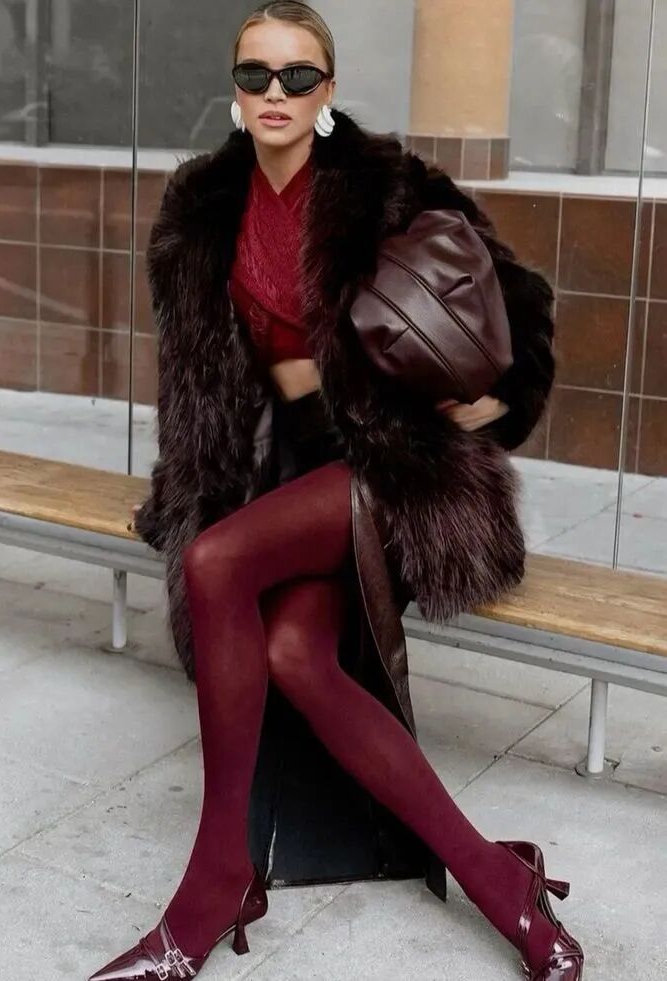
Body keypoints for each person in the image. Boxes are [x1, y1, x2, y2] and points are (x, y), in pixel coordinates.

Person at [88, 3, 583, 980]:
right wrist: (185, 488)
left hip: (392, 467)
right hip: (285, 473)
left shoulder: (384, 185)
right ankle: (497, 877)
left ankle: (212, 885)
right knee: (290, 653)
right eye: (256, 74)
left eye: (297, 75)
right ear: (236, 89)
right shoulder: (200, 211)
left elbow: (517, 306)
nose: (275, 93)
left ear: (328, 88)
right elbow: (193, 389)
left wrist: (487, 406)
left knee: (216, 561)